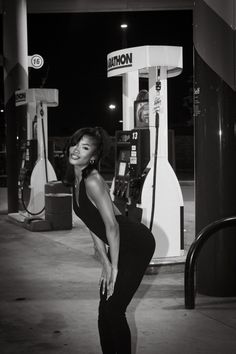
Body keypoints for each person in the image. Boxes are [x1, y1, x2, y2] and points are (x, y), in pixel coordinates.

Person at [64, 126, 155, 354]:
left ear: (93, 157)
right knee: (104, 309)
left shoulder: (92, 180)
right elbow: (93, 224)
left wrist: (114, 268)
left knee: (114, 309)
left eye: (84, 147)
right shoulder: (76, 180)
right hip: (119, 246)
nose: (76, 150)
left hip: (135, 244)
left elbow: (112, 227)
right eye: (75, 143)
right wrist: (104, 262)